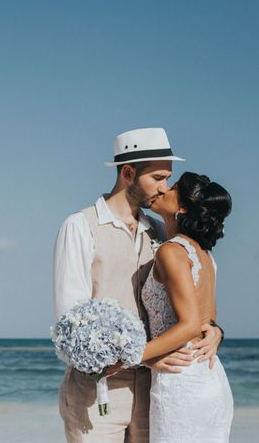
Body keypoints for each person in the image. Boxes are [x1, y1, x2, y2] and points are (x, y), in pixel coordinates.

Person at [54, 128, 223, 443]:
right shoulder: (80, 226)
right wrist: (143, 356)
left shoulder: (161, 230)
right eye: (158, 177)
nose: (165, 188)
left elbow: (192, 291)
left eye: (167, 179)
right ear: (128, 173)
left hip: (156, 391)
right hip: (98, 395)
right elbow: (71, 323)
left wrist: (214, 329)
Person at [140, 171, 234, 442]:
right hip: (209, 376)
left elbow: (191, 324)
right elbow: (208, 321)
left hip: (180, 382)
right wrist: (218, 332)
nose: (163, 189)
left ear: (181, 208)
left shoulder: (172, 251)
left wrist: (135, 356)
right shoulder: (204, 255)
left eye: (173, 188)